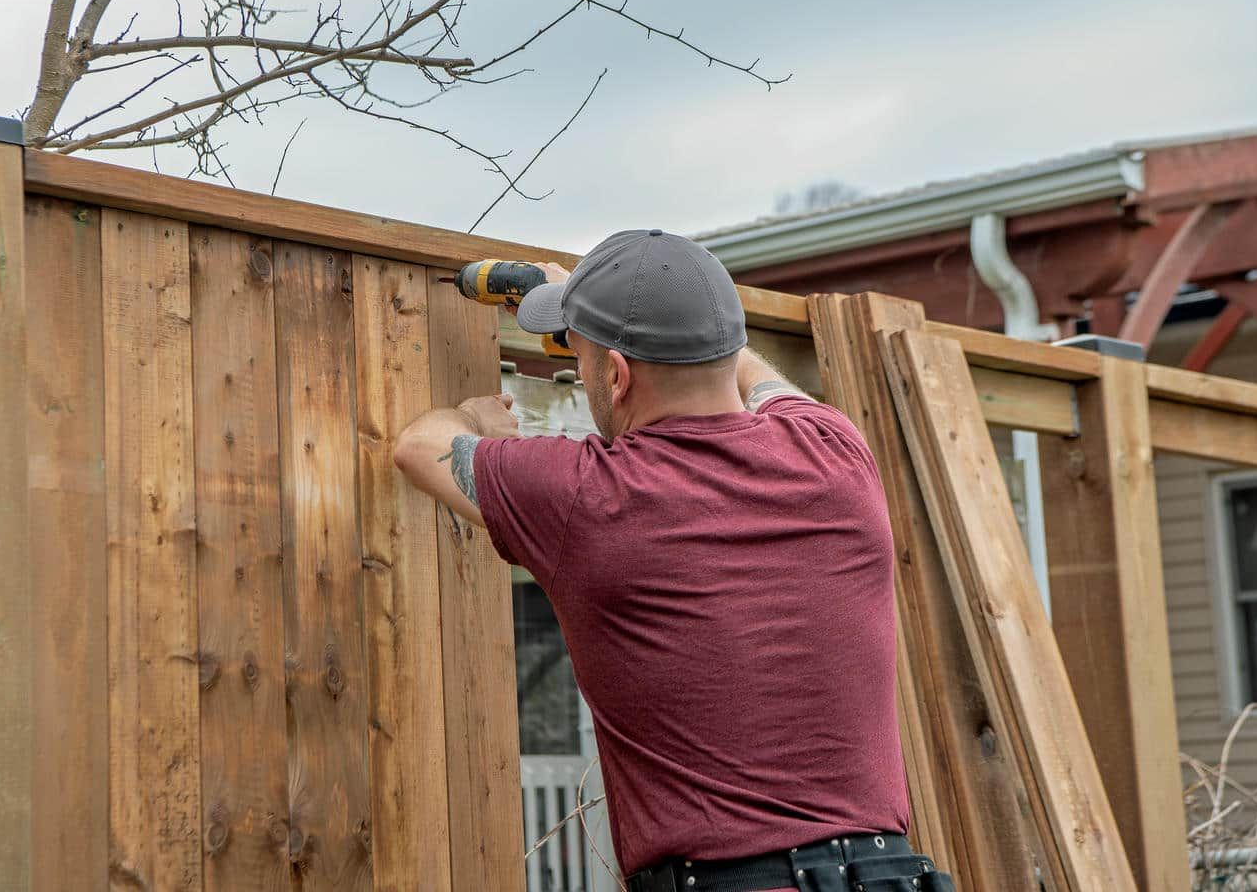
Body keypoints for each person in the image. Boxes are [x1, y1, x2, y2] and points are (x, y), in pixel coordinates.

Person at [394, 229, 954, 892]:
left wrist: (477, 418)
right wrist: (607, 317)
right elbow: (753, 373)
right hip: (888, 875)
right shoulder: (835, 450)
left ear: (618, 376)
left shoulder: (588, 497)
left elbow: (418, 445)